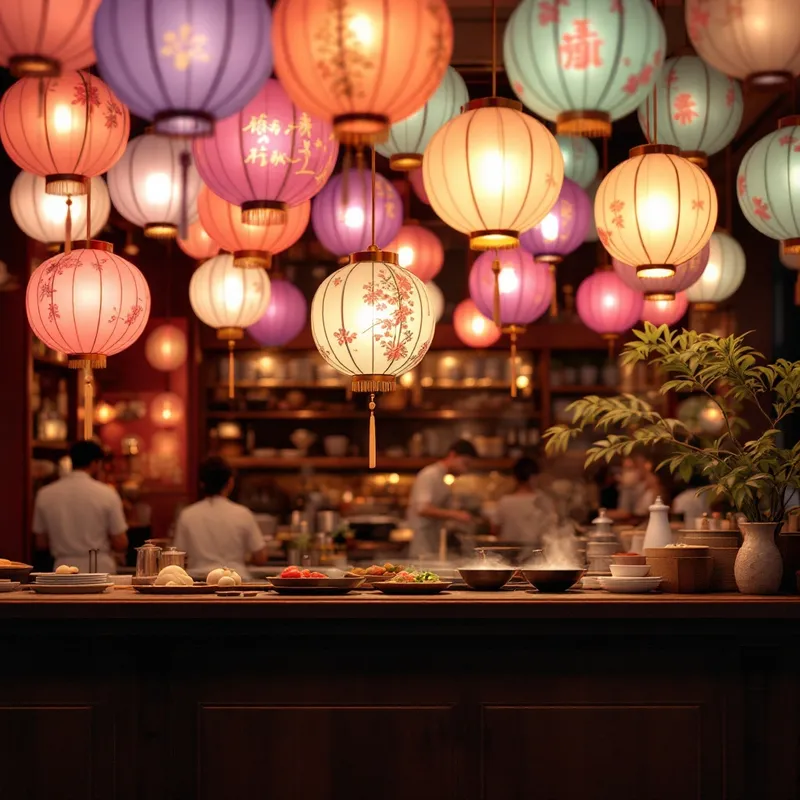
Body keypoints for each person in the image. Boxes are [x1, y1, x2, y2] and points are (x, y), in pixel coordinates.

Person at [33, 440, 128, 574]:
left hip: (62, 569)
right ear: (95, 463)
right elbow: (120, 542)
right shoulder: (107, 493)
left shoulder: (45, 494)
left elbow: (41, 542)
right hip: (100, 568)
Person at [174, 456, 268, 579]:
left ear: (202, 483)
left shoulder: (187, 515)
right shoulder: (243, 514)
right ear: (230, 483)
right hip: (236, 581)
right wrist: (244, 558)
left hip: (198, 582)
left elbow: (177, 557)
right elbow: (261, 558)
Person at [407, 439, 478, 557]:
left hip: (433, 543)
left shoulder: (442, 478)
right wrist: (456, 515)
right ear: (452, 455)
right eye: (465, 463)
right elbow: (422, 509)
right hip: (422, 545)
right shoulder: (429, 474)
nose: (465, 470)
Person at [494, 457, 557, 546]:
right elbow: (552, 530)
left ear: (515, 477)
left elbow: (495, 529)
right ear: (534, 477)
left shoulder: (505, 501)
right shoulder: (544, 500)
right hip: (537, 551)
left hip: (508, 551)